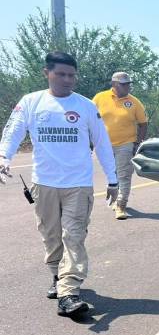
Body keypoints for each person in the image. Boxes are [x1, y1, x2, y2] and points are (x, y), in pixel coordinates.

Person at [0, 51, 118, 317]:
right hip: (44, 184)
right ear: (47, 73)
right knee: (50, 235)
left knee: (74, 236)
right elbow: (14, 130)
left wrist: (112, 179)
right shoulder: (31, 102)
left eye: (72, 75)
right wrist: (4, 156)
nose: (67, 80)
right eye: (61, 74)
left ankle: (68, 292)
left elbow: (102, 143)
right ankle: (57, 275)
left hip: (78, 184)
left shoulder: (86, 106)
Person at [92, 71, 148, 220]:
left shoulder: (134, 102)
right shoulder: (99, 98)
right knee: (113, 175)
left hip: (126, 144)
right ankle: (115, 195)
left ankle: (121, 205)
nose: (127, 87)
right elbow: (89, 119)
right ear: (114, 84)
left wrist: (138, 143)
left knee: (124, 176)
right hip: (103, 145)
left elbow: (143, 124)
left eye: (128, 84)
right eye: (124, 84)